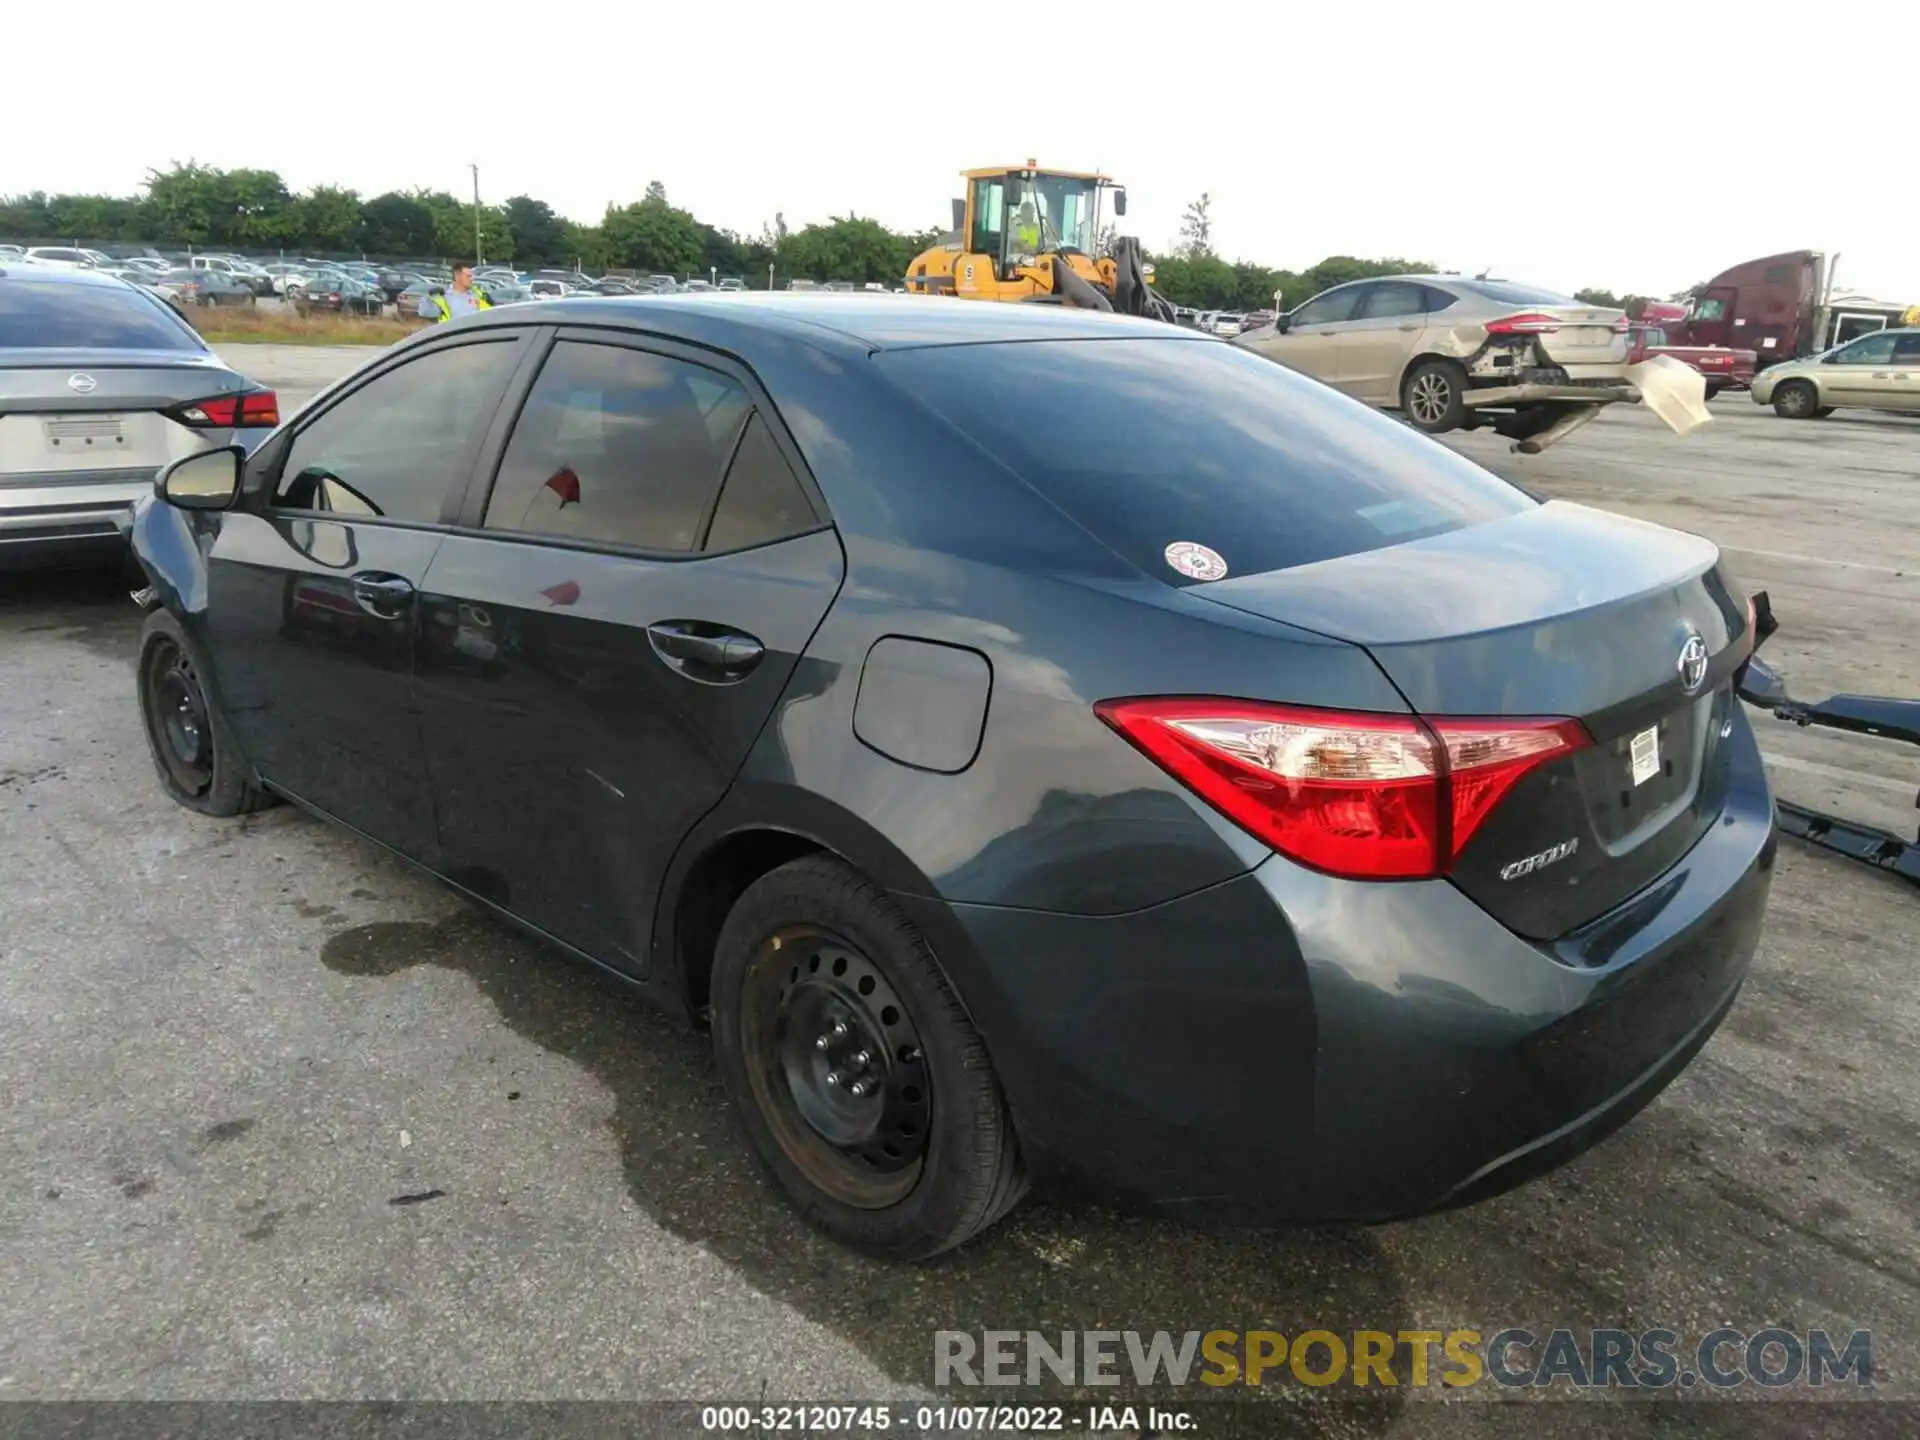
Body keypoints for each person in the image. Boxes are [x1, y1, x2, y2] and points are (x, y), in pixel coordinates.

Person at [420, 261, 492, 322]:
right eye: (468, 276)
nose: (472, 279)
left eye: (472, 276)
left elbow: (490, 316)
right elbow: (424, 313)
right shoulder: (443, 297)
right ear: (457, 275)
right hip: (452, 337)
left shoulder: (479, 296)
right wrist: (428, 297)